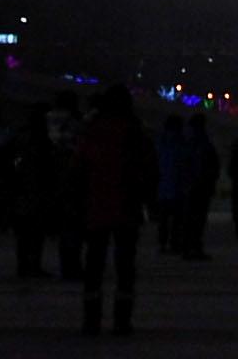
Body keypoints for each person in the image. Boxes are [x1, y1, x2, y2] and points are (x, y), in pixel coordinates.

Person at [75, 83, 154, 336]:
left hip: (96, 204)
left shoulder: (92, 130)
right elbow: (147, 168)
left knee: (94, 266)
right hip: (126, 206)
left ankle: (91, 318)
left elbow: (80, 168)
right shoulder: (134, 131)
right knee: (125, 267)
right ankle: (122, 319)